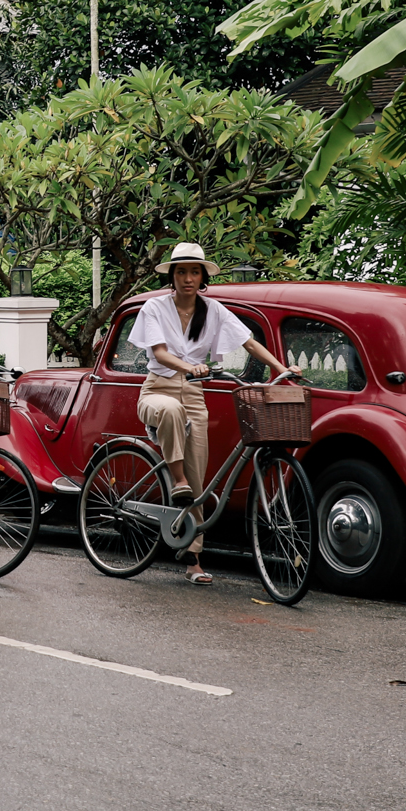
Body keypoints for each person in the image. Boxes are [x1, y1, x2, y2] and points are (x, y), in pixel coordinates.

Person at [131, 242, 292, 586]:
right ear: (171, 277)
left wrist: (282, 368)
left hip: (194, 395)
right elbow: (158, 352)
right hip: (157, 389)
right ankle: (176, 480)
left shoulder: (213, 309)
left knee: (199, 481)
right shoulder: (154, 307)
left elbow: (248, 341)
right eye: (181, 272)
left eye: (194, 271)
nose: (188, 278)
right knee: (172, 416)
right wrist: (189, 366)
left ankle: (193, 559)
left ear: (203, 276)